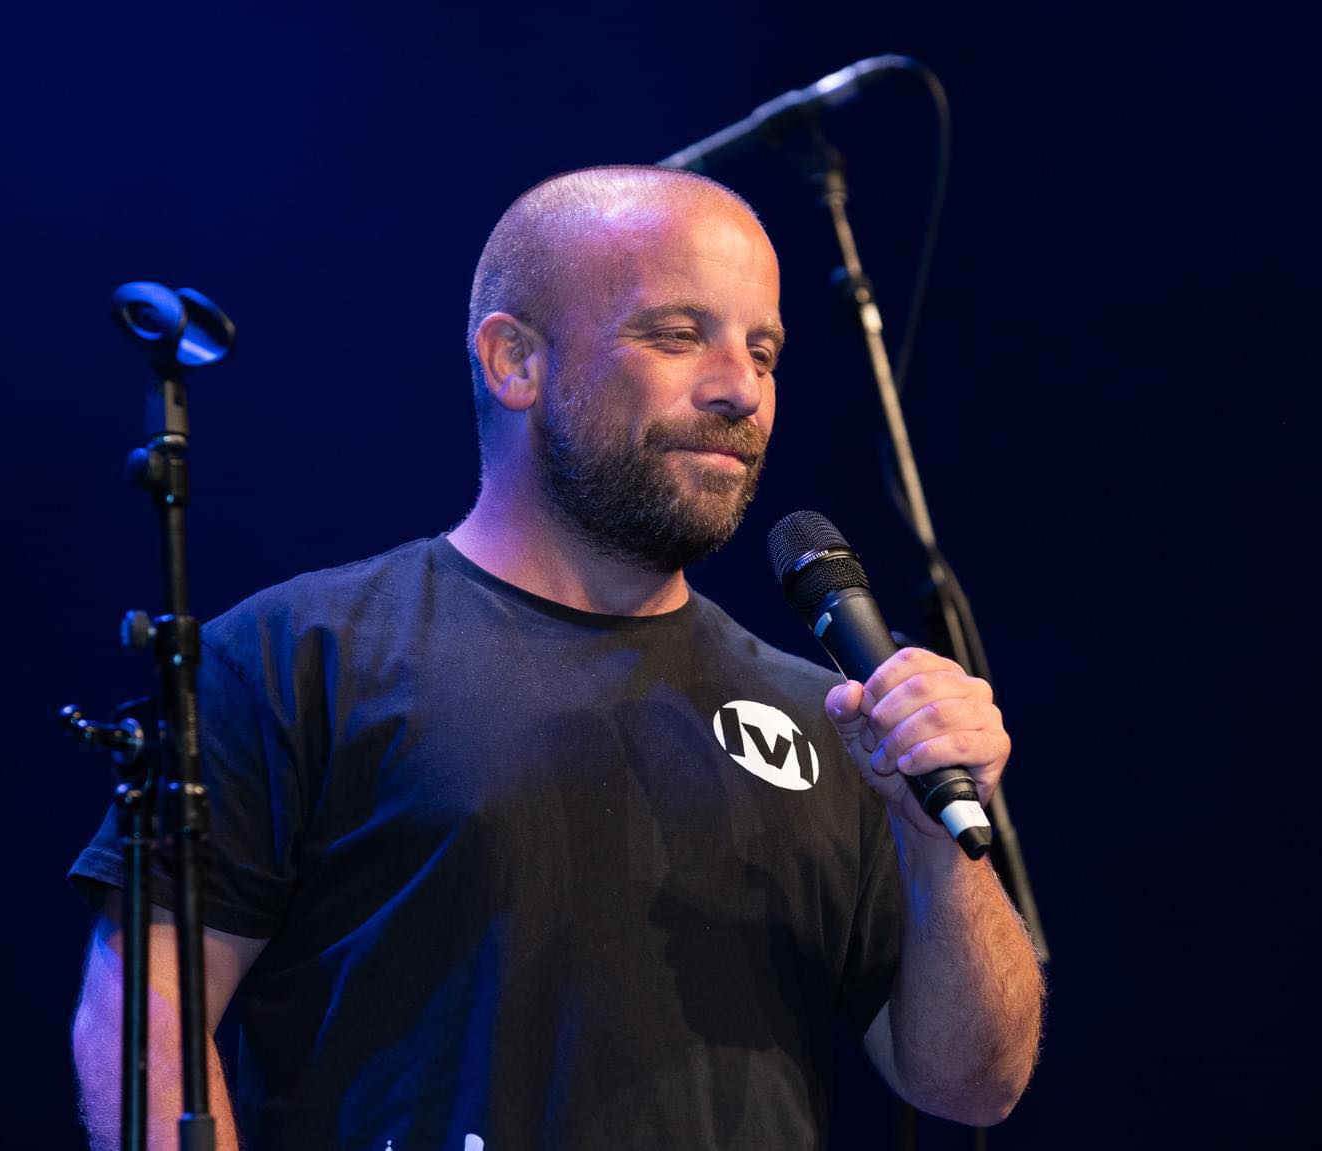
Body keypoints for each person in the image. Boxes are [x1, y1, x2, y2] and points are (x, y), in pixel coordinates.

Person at [68, 165, 1043, 1150]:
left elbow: (974, 1083)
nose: (740, 388)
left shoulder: (828, 717)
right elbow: (143, 1011)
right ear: (515, 361)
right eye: (678, 334)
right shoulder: (299, 658)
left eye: (763, 350)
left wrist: (933, 843)